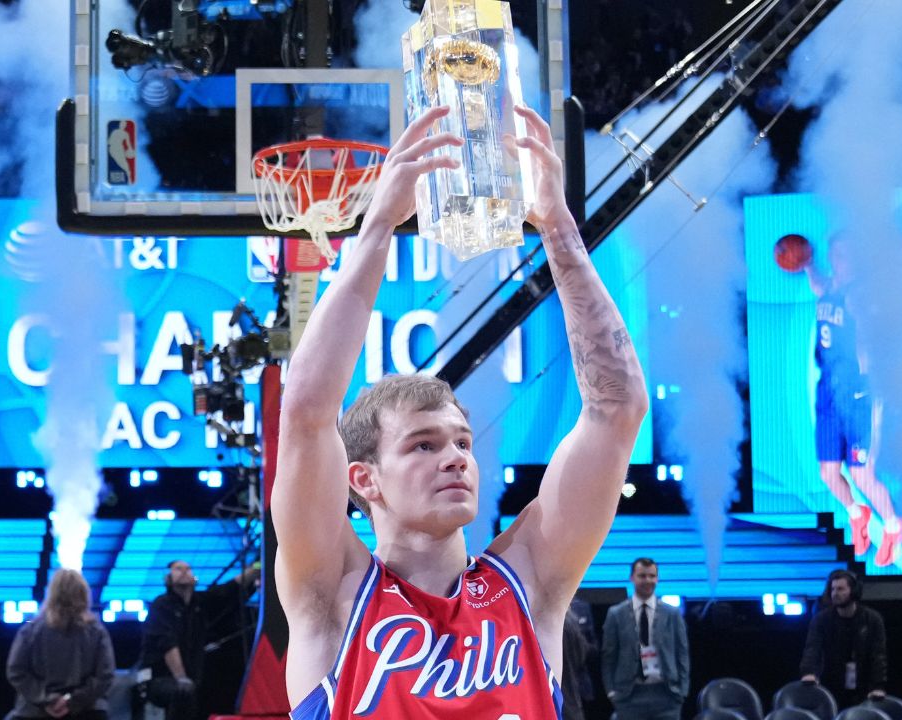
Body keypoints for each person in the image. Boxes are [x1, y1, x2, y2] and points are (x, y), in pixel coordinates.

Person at [274, 104, 648, 718]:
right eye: (423, 444)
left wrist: (556, 226)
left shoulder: (529, 582)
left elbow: (616, 407)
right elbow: (308, 413)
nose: (454, 458)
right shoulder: (333, 593)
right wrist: (377, 228)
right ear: (363, 477)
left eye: (463, 443)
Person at [804, 239, 902, 566]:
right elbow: (819, 286)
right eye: (833, 252)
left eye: (843, 253)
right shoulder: (831, 286)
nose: (836, 258)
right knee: (828, 473)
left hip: (859, 391)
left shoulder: (863, 293)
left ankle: (892, 526)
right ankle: (855, 512)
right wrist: (805, 262)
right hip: (828, 391)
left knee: (862, 474)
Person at [137, 560, 258, 720]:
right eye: (178, 569)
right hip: (158, 679)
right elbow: (167, 644)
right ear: (168, 578)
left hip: (192, 681)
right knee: (183, 693)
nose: (184, 572)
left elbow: (227, 590)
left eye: (188, 569)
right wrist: (181, 678)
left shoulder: (199, 603)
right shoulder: (161, 605)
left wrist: (257, 567)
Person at [6, 569, 115, 720]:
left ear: (51, 594)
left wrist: (47, 699)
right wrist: (71, 701)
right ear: (84, 594)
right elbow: (106, 675)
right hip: (87, 712)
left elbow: (16, 671)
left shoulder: (30, 630)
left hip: (34, 713)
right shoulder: (97, 631)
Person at [601, 559, 689, 719]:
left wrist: (681, 691)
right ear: (632, 578)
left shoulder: (672, 614)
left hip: (666, 694)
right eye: (642, 576)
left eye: (652, 576)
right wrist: (611, 691)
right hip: (629, 695)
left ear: (657, 579)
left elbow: (682, 653)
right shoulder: (616, 614)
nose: (647, 580)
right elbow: (609, 656)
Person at [799, 570, 888, 709]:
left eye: (840, 589)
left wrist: (878, 686)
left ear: (854, 591)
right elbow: (812, 648)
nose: (835, 593)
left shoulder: (872, 619)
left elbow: (878, 655)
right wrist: (809, 672)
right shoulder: (821, 619)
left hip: (862, 684)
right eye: (833, 589)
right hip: (831, 682)